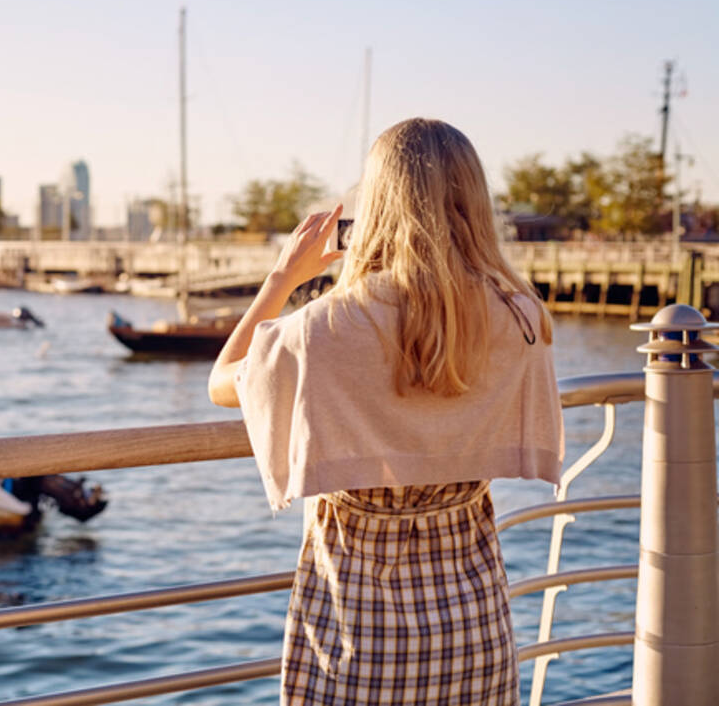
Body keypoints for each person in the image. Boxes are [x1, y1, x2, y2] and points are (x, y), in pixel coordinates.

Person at [208, 118, 563, 705]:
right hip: (473, 631)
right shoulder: (522, 319)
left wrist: (283, 277)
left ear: (375, 209)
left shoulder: (321, 331)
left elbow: (223, 381)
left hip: (356, 638)